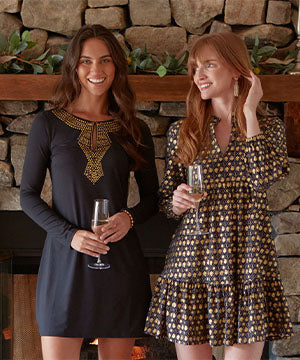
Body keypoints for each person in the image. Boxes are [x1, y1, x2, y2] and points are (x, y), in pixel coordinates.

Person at [144, 31, 293, 360]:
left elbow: (265, 177)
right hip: (192, 261)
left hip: (248, 259)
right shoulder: (183, 131)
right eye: (195, 67)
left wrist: (250, 112)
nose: (199, 75)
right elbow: (167, 201)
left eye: (209, 65)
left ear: (238, 70)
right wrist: (177, 201)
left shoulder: (269, 127)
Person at [20, 24, 158, 360]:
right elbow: (27, 195)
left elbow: (154, 197)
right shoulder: (48, 124)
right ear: (73, 66)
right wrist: (70, 235)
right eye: (86, 61)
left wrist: (128, 217)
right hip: (65, 264)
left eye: (105, 60)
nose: (96, 70)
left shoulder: (134, 128)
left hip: (119, 264)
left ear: (116, 67)